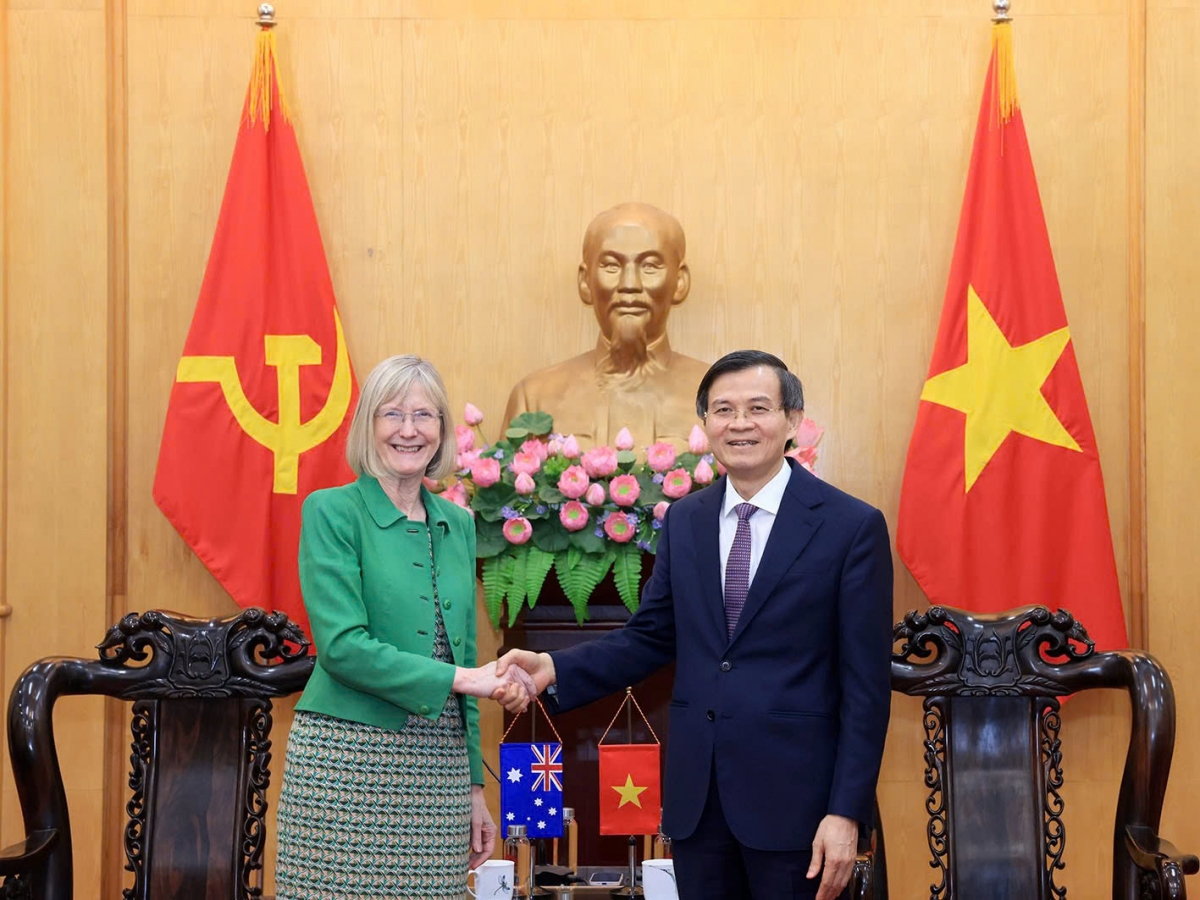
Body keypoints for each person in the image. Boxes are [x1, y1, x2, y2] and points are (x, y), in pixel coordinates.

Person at [498, 350, 893, 900]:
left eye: (758, 408)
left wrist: (845, 812)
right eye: (723, 410)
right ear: (705, 424)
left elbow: (867, 689)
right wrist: (551, 668)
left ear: (793, 421)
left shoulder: (851, 527)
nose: (740, 423)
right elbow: (650, 637)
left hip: (800, 811)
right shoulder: (686, 519)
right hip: (699, 809)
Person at [275, 354, 531, 900]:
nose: (408, 430)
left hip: (439, 772)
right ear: (368, 425)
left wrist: (474, 788)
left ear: (442, 429)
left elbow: (461, 653)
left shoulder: (458, 523)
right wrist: (465, 679)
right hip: (345, 766)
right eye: (392, 414)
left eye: (423, 415)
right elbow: (342, 648)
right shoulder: (331, 511)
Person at [502, 202, 710, 448]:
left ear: (680, 282)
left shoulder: (718, 396)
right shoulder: (535, 397)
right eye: (611, 265)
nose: (629, 284)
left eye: (650, 266)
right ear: (585, 282)